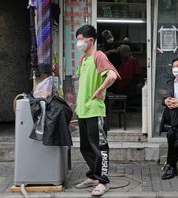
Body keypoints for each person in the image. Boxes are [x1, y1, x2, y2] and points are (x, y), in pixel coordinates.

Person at [74, 24, 120, 196]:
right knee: (85, 147)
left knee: (100, 147)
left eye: (80, 39)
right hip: (83, 110)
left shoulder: (98, 56)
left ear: (90, 40)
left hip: (95, 109)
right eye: (77, 39)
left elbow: (112, 76)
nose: (78, 43)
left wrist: (100, 90)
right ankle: (94, 176)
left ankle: (103, 181)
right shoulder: (83, 59)